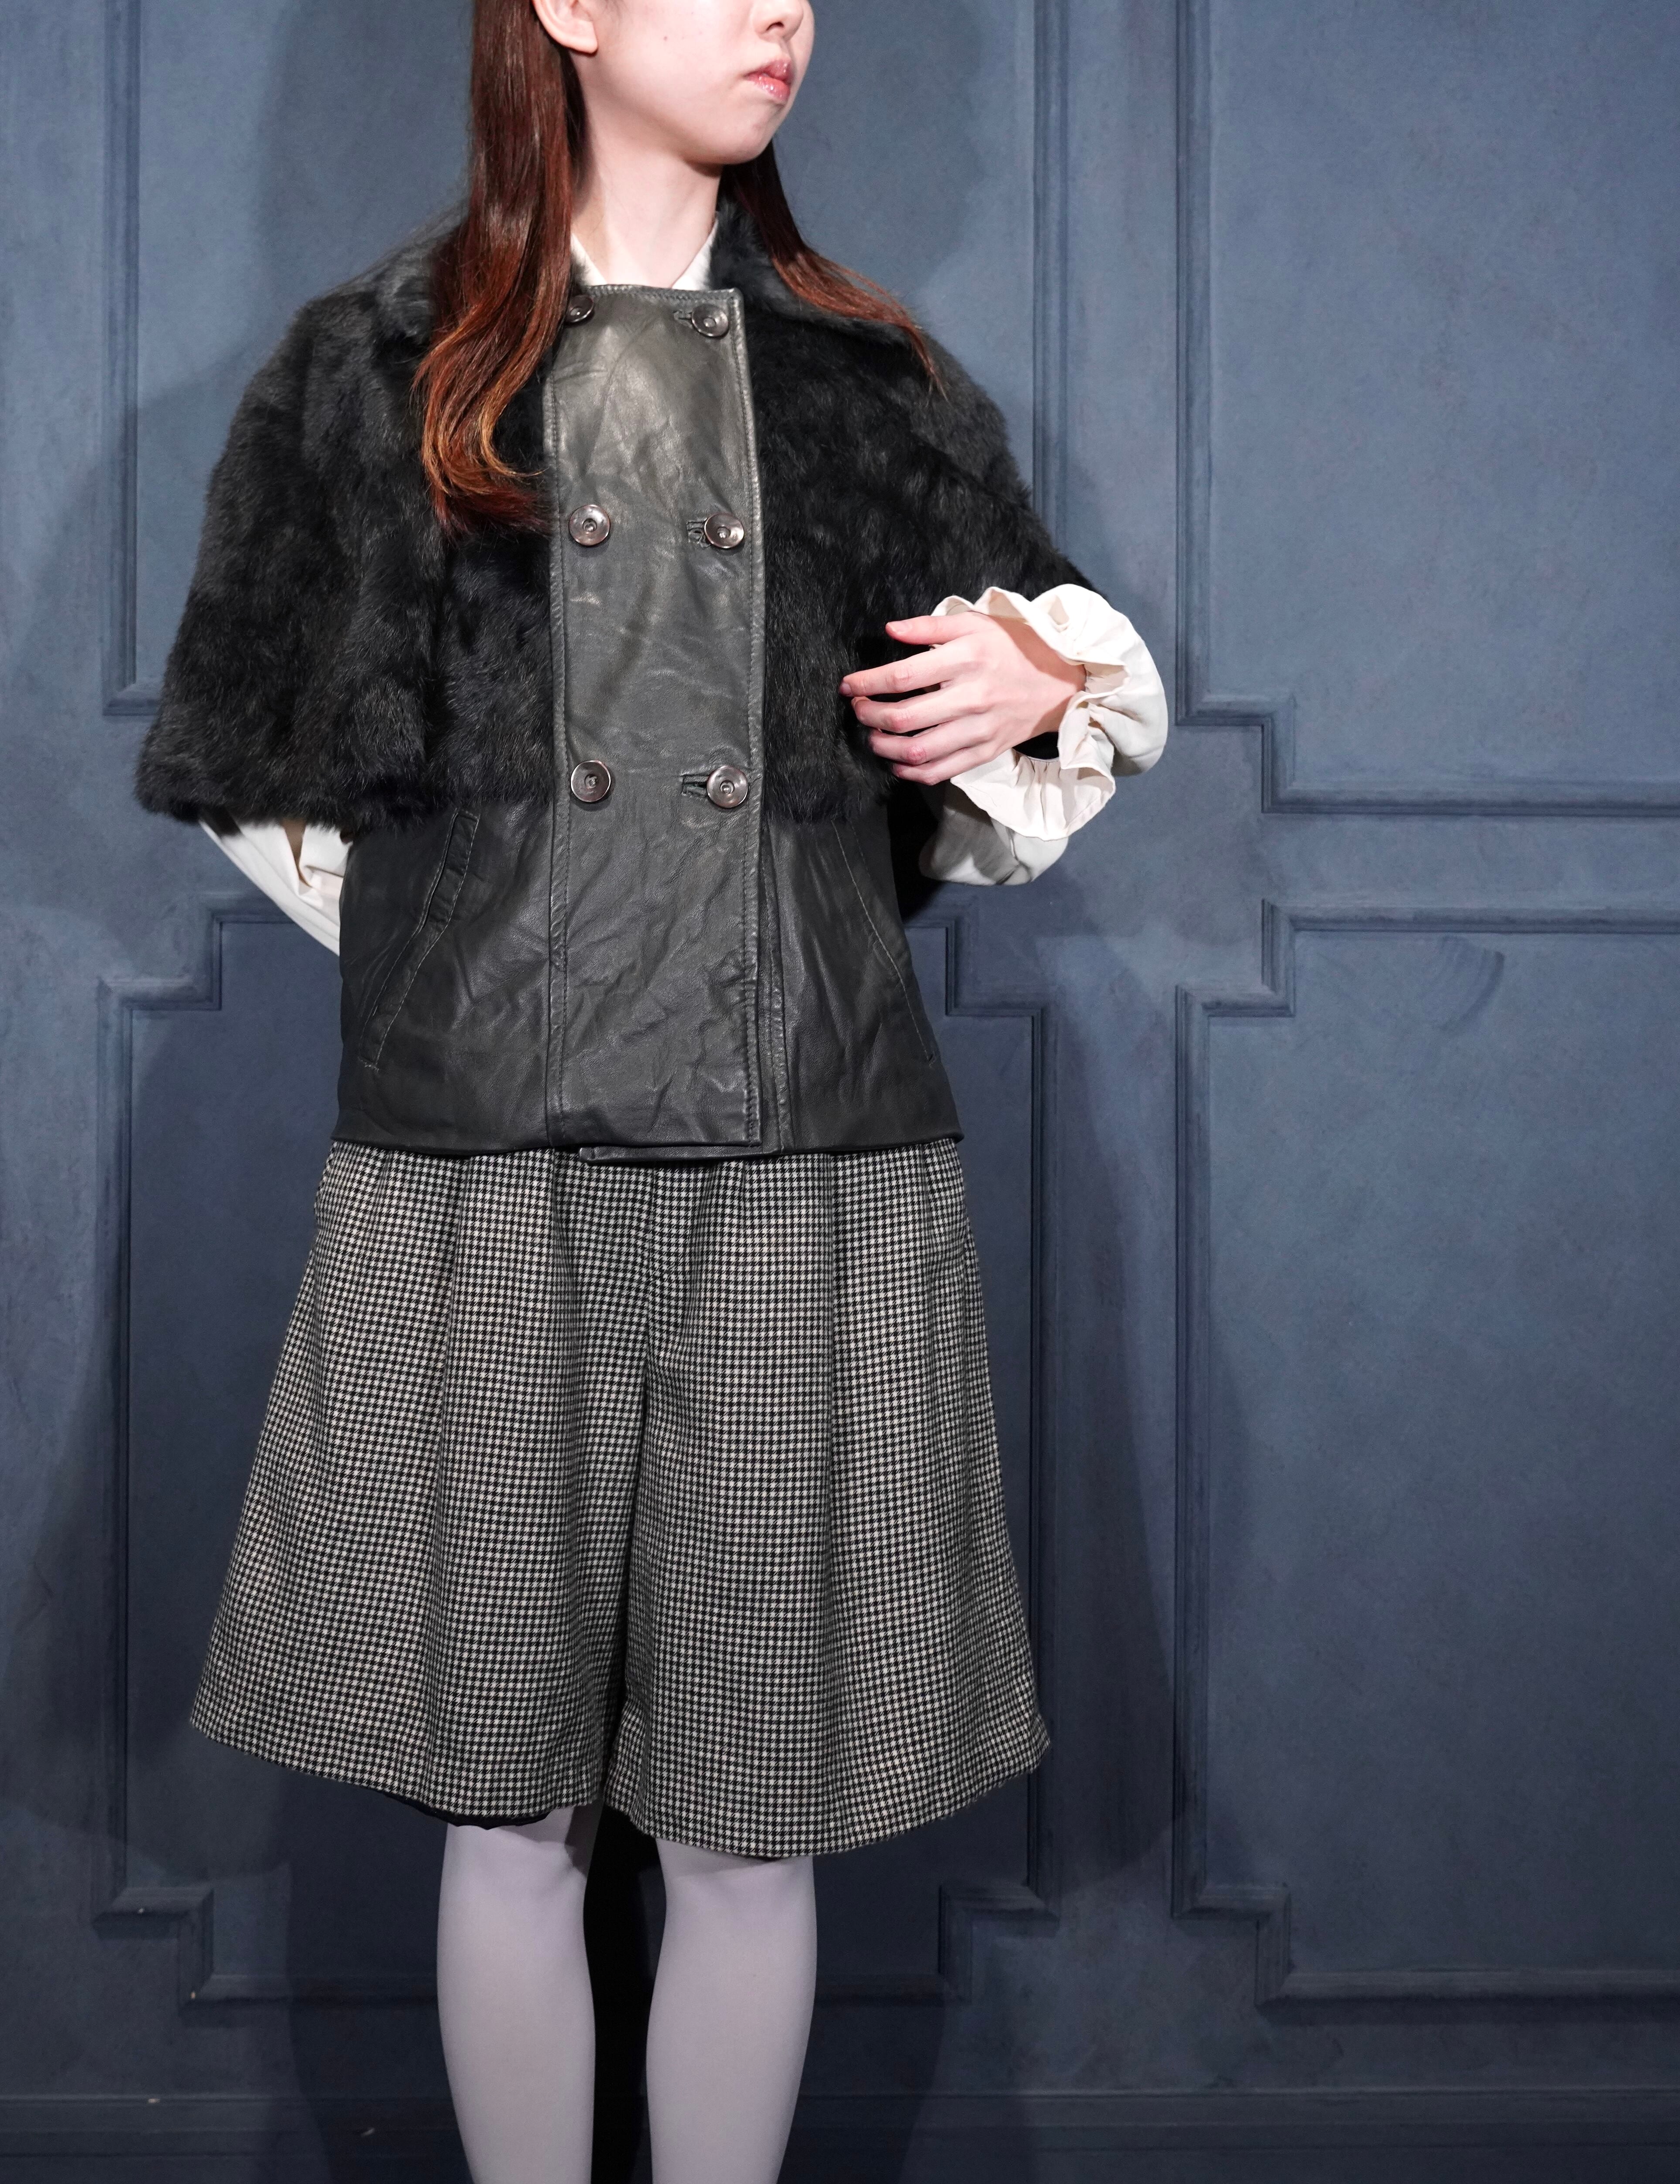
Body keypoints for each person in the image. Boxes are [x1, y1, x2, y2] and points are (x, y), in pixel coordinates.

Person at [133, 2, 1167, 2177]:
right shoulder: (375, 370)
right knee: (500, 1811)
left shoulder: (869, 383)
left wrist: (1046, 667)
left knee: (748, 1816)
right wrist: (480, 950)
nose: (781, 12)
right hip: (478, 1162)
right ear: (569, 9)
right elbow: (264, 765)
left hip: (805, 1156)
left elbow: (1025, 730)